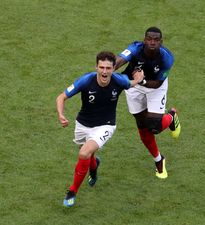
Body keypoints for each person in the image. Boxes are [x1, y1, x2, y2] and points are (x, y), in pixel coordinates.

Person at [56, 51, 144, 207]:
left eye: (108, 68)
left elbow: (130, 83)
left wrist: (138, 79)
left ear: (113, 68)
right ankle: (94, 165)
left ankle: (72, 191)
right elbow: (61, 97)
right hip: (82, 124)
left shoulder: (119, 81)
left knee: (83, 153)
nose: (104, 71)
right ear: (96, 67)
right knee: (88, 155)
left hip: (106, 125)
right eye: (101, 67)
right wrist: (61, 114)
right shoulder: (85, 81)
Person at [115, 26, 181, 179]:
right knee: (142, 125)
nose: (152, 42)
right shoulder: (135, 48)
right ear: (144, 40)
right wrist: (110, 68)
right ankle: (159, 159)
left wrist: (142, 80)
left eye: (156, 40)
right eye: (149, 39)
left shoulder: (167, 58)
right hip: (133, 86)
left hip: (154, 87)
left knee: (154, 127)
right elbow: (121, 59)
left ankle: (171, 117)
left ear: (161, 42)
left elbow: (157, 83)